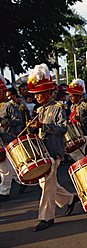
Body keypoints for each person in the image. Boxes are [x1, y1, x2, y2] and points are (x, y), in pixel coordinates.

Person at [26, 64, 79, 231]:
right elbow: (37, 130)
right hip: (41, 152)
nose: (37, 97)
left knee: (47, 186)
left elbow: (63, 128)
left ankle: (46, 217)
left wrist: (43, 125)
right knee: (45, 184)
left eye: (39, 94)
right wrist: (32, 127)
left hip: (53, 151)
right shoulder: (39, 109)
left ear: (48, 93)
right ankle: (70, 199)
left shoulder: (58, 108)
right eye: (35, 95)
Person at [0, 74, 22, 202]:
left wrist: (4, 121)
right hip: (1, 139)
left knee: (5, 166)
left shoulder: (10, 105)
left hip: (9, 138)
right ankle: (21, 181)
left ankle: (4, 191)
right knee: (8, 167)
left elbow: (18, 120)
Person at [66, 78, 87, 160]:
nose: (70, 98)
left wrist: (80, 119)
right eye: (70, 96)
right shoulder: (72, 106)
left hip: (86, 135)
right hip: (76, 136)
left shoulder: (84, 105)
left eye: (72, 96)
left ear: (78, 96)